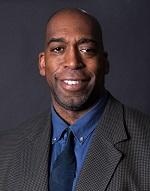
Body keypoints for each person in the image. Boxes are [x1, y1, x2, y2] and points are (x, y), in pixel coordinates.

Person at [0, 8, 150, 191]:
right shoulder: (5, 150)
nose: (72, 62)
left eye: (86, 49)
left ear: (104, 62)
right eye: (58, 49)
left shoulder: (145, 145)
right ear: (42, 63)